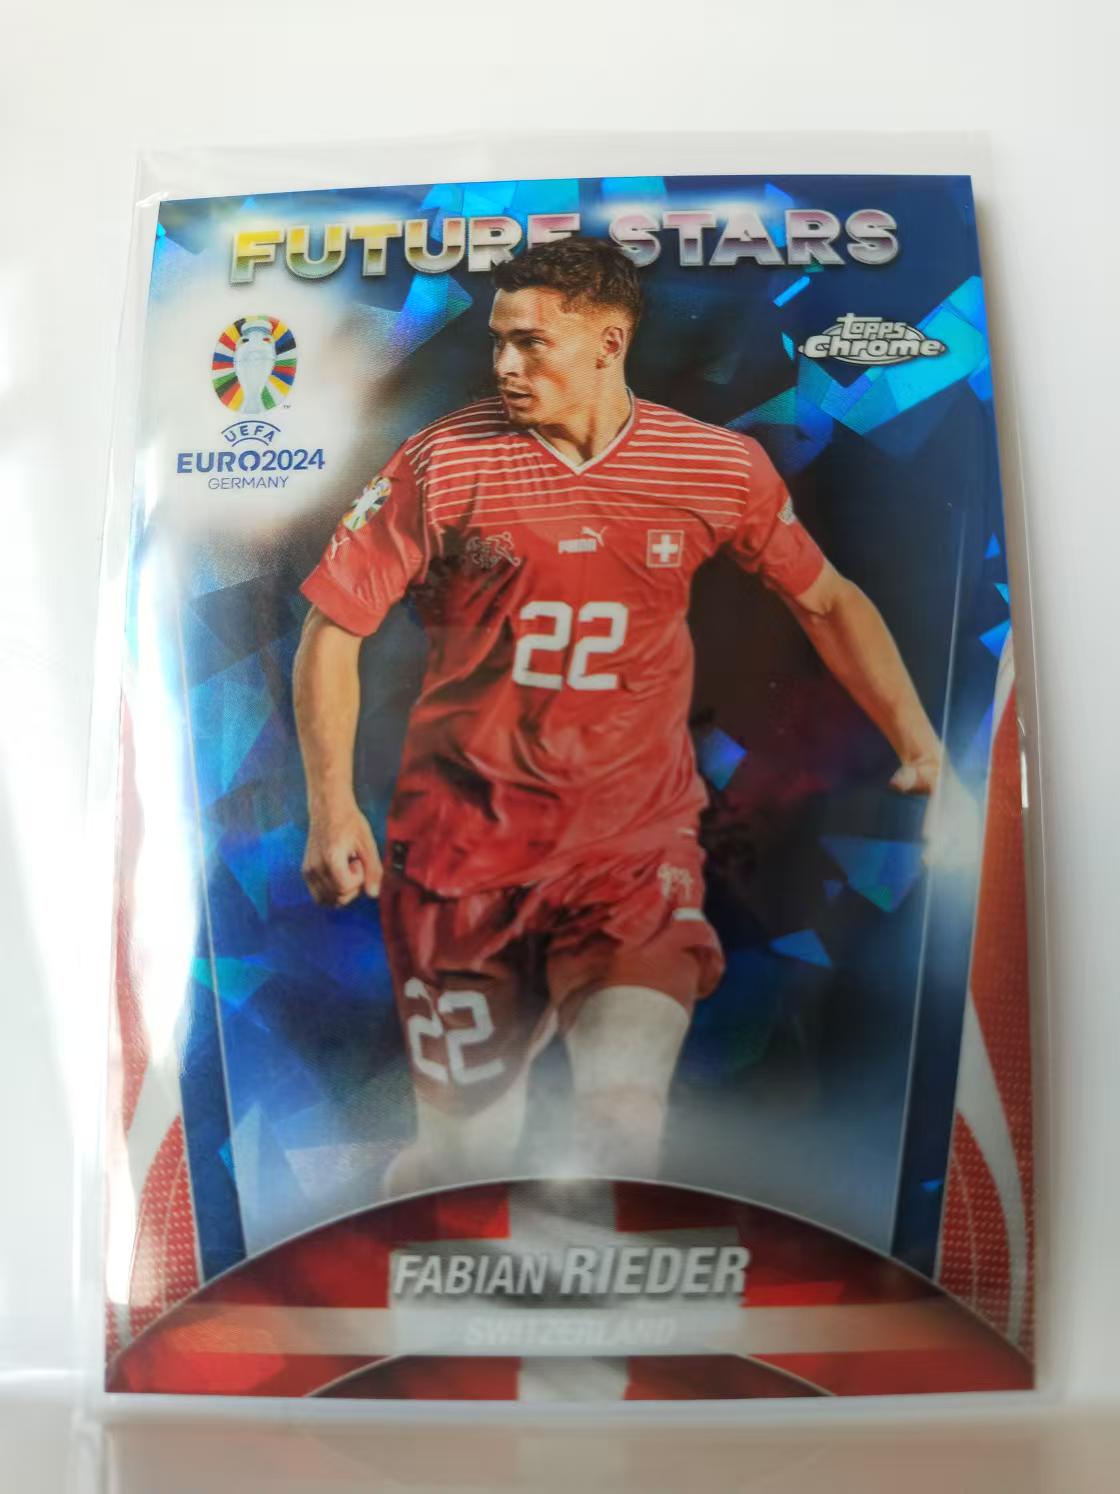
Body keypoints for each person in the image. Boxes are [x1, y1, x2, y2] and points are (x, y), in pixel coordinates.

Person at [294, 236, 945, 1195]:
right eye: (498, 341)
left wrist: (920, 745)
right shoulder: (441, 463)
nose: (506, 364)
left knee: (622, 1116)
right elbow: (333, 628)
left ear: (609, 342)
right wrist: (331, 806)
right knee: (464, 1164)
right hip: (458, 859)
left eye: (532, 343)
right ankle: (412, 1248)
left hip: (631, 852)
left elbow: (827, 601)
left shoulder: (714, 467)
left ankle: (605, 1284)